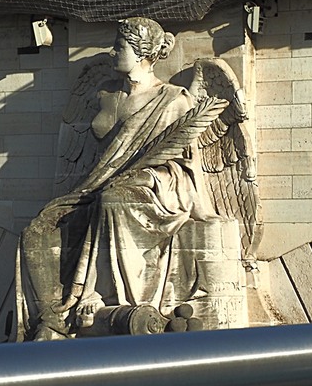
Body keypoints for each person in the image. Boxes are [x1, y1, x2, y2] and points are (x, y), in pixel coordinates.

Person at [17, 17, 217, 340]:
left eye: (120, 46)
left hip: (154, 190)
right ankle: (50, 319)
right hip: (94, 188)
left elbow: (188, 169)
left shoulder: (172, 100)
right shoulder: (104, 95)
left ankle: (95, 293)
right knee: (37, 229)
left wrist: (156, 183)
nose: (112, 52)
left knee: (113, 199)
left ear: (141, 55)